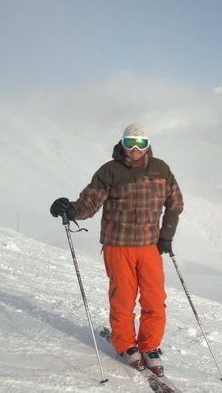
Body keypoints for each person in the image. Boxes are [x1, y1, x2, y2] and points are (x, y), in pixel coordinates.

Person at [50, 123, 184, 376]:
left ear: (148, 145)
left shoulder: (161, 169)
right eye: (130, 143)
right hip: (117, 245)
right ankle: (125, 344)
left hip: (149, 245)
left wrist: (166, 235)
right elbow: (89, 202)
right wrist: (70, 209)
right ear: (122, 143)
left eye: (140, 143)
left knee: (154, 299)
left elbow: (175, 203)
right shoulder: (109, 171)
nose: (135, 149)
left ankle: (150, 346)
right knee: (122, 297)